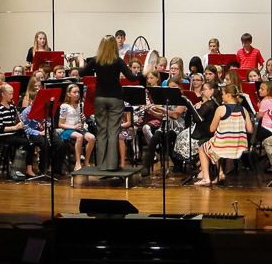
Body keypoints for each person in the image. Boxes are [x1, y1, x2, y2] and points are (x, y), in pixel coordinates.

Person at [78, 35, 144, 171]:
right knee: (113, 131)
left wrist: (80, 62)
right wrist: (143, 73)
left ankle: (102, 165)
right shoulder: (118, 61)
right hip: (115, 98)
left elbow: (82, 73)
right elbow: (132, 78)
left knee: (101, 131)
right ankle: (112, 165)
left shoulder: (96, 61)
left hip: (100, 98)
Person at [194, 85, 253, 186]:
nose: (222, 96)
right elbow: (250, 129)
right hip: (240, 147)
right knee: (216, 143)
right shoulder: (244, 110)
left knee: (202, 146)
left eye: (223, 94)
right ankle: (219, 173)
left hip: (224, 146)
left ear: (229, 95)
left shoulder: (221, 109)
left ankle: (206, 178)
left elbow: (212, 129)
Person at [140, 78, 186, 177]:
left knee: (167, 137)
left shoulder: (182, 99)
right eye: (170, 87)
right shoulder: (167, 100)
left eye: (174, 87)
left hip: (178, 128)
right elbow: (162, 116)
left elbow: (175, 115)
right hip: (166, 126)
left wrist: (161, 108)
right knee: (155, 137)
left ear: (180, 87)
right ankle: (146, 166)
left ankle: (178, 163)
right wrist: (151, 111)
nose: (172, 89)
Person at [56, 84, 96, 171]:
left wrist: (83, 119)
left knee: (92, 138)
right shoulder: (64, 107)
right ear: (68, 94)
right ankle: (77, 163)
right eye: (74, 92)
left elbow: (81, 120)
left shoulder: (81, 104)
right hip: (67, 129)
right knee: (79, 136)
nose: (77, 94)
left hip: (79, 129)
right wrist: (73, 126)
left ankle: (86, 161)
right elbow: (60, 124)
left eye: (78, 92)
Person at [20, 90, 46, 177]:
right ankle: (41, 169)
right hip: (32, 134)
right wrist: (39, 132)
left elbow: (49, 120)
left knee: (58, 142)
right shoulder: (27, 111)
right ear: (31, 100)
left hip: (43, 132)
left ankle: (50, 168)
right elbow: (26, 128)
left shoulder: (44, 109)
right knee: (43, 143)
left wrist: (48, 127)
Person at [256, 81, 272, 164]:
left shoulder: (265, 101)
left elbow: (259, 116)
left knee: (250, 133)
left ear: (269, 91)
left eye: (262, 89)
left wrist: (259, 107)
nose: (259, 90)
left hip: (267, 128)